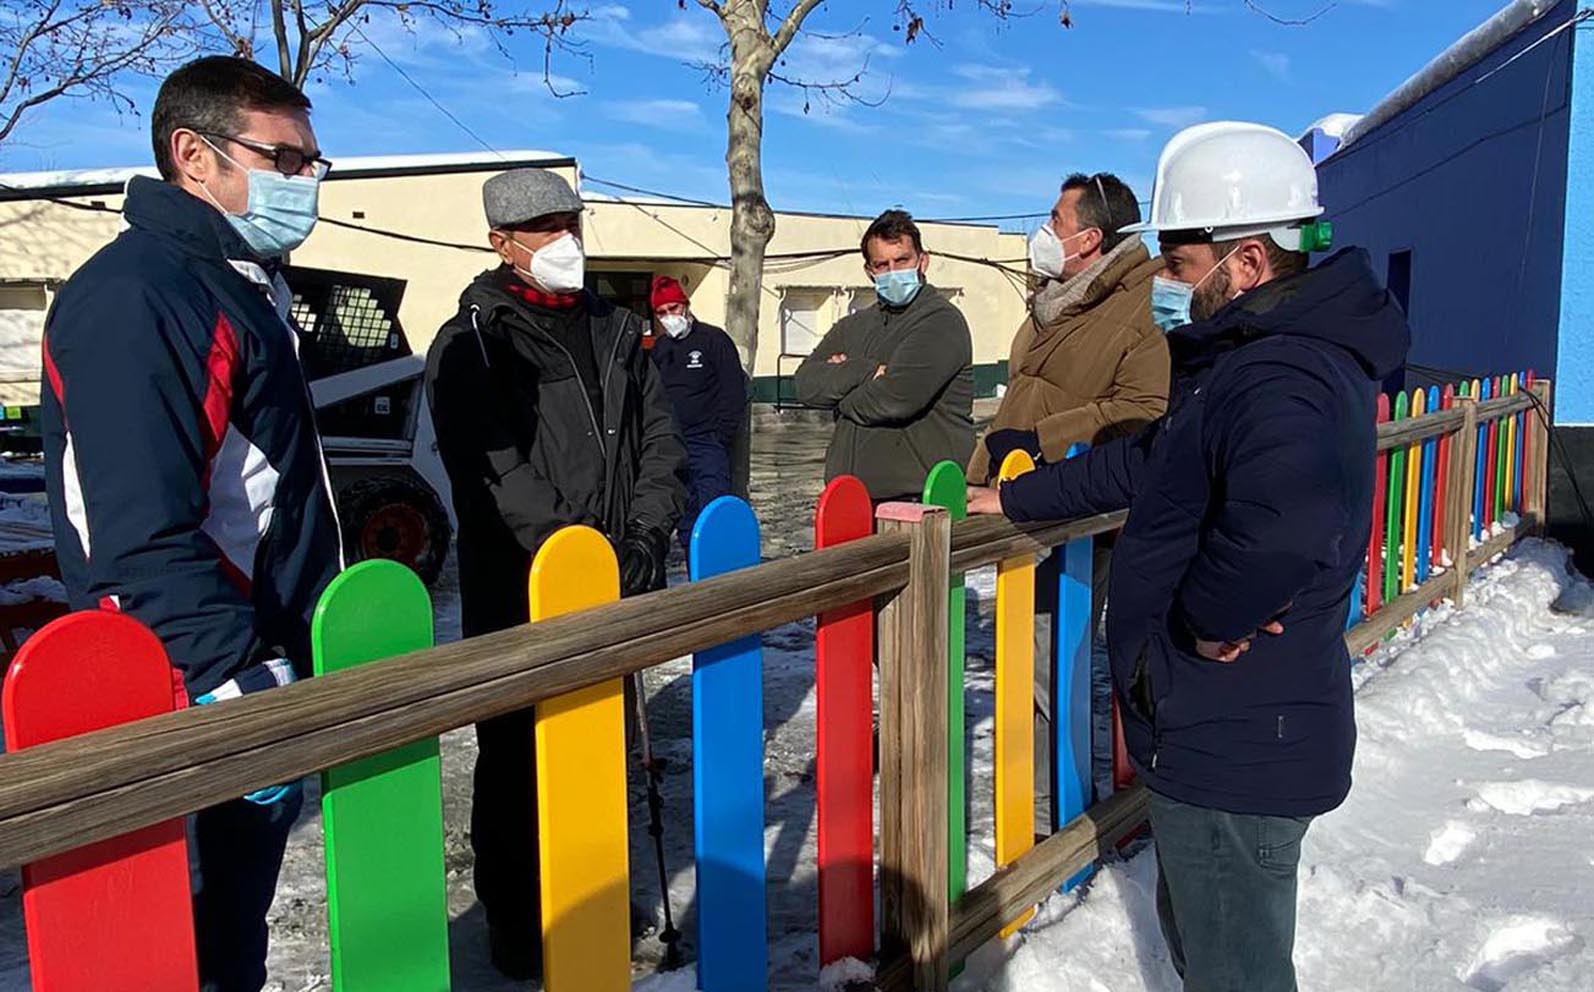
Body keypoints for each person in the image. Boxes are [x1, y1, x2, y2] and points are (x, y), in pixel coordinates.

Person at [969, 121, 1409, 991]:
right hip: (1226, 723)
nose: (1165, 286)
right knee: (1208, 941)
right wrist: (1018, 497)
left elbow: (1283, 525)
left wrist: (1208, 620)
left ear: (1245, 263)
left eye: (1176, 267)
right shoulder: (1244, 359)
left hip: (1238, 729)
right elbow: (1150, 460)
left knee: (1233, 967)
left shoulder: (1282, 373)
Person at [39, 56, 342, 992]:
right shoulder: (143, 295)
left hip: (257, 652)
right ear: (194, 155)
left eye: (314, 163)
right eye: (285, 159)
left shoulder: (234, 281)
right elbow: (130, 526)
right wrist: (227, 670)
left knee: (229, 933)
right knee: (176, 945)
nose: (308, 182)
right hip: (195, 678)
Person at [423, 167, 687, 980]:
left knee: (600, 745)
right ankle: (516, 914)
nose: (564, 239)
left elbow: (659, 443)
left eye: (570, 219)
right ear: (501, 242)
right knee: (514, 758)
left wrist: (644, 535)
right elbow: (491, 469)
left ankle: (596, 892)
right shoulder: (473, 337)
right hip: (521, 584)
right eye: (542, 226)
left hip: (615, 575)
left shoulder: (615, 326)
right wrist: (572, 551)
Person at [968, 172, 1169, 827]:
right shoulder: (1058, 297)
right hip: (1020, 493)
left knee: (1057, 659)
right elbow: (1025, 390)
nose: (1043, 232)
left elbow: (1142, 409)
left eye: (1055, 220)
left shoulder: (1141, 303)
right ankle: (1033, 798)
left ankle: (1063, 812)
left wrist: (1043, 440)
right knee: (1027, 655)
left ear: (1091, 237)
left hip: (1081, 508)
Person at [792, 209, 975, 502]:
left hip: (920, 498)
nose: (893, 272)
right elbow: (804, 385)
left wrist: (837, 395)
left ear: (922, 261)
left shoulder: (941, 321)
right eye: (882, 264)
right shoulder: (853, 325)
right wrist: (864, 372)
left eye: (901, 261)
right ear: (869, 271)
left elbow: (895, 399)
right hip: (850, 498)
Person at [648, 275, 746, 556]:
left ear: (686, 306)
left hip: (707, 442)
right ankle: (694, 575)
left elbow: (733, 391)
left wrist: (720, 437)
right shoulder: (660, 350)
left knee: (714, 514)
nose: (669, 317)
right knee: (685, 520)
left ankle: (719, 577)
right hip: (672, 444)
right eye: (662, 312)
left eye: (673, 309)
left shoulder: (713, 340)